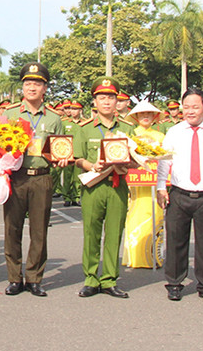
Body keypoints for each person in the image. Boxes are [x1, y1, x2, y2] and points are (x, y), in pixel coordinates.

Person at [157, 88, 203, 302]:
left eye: (195, 107)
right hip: (179, 193)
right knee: (176, 241)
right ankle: (174, 283)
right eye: (186, 107)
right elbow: (164, 161)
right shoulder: (174, 132)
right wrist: (161, 186)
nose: (190, 111)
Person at [1, 63, 67, 297]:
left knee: (39, 231)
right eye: (28, 83)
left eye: (37, 84)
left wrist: (62, 159)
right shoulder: (10, 114)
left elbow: (60, 147)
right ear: (23, 87)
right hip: (16, 177)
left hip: (41, 178)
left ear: (44, 88)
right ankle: (14, 278)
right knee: (12, 229)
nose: (32, 88)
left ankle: (34, 278)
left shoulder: (54, 118)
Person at [73, 77, 136, 298]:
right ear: (95, 102)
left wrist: (129, 162)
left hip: (118, 186)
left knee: (114, 233)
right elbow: (77, 158)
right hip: (93, 186)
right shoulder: (85, 129)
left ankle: (109, 279)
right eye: (102, 98)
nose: (107, 102)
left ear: (117, 101)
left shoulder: (127, 128)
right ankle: (91, 278)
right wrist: (92, 165)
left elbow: (137, 159)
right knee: (91, 232)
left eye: (111, 97)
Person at [122, 101, 165, 269]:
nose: (145, 117)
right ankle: (134, 257)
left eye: (149, 114)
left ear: (154, 117)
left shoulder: (161, 137)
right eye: (142, 114)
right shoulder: (130, 136)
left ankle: (153, 257)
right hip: (136, 183)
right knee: (135, 216)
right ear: (136, 117)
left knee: (155, 215)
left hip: (154, 181)